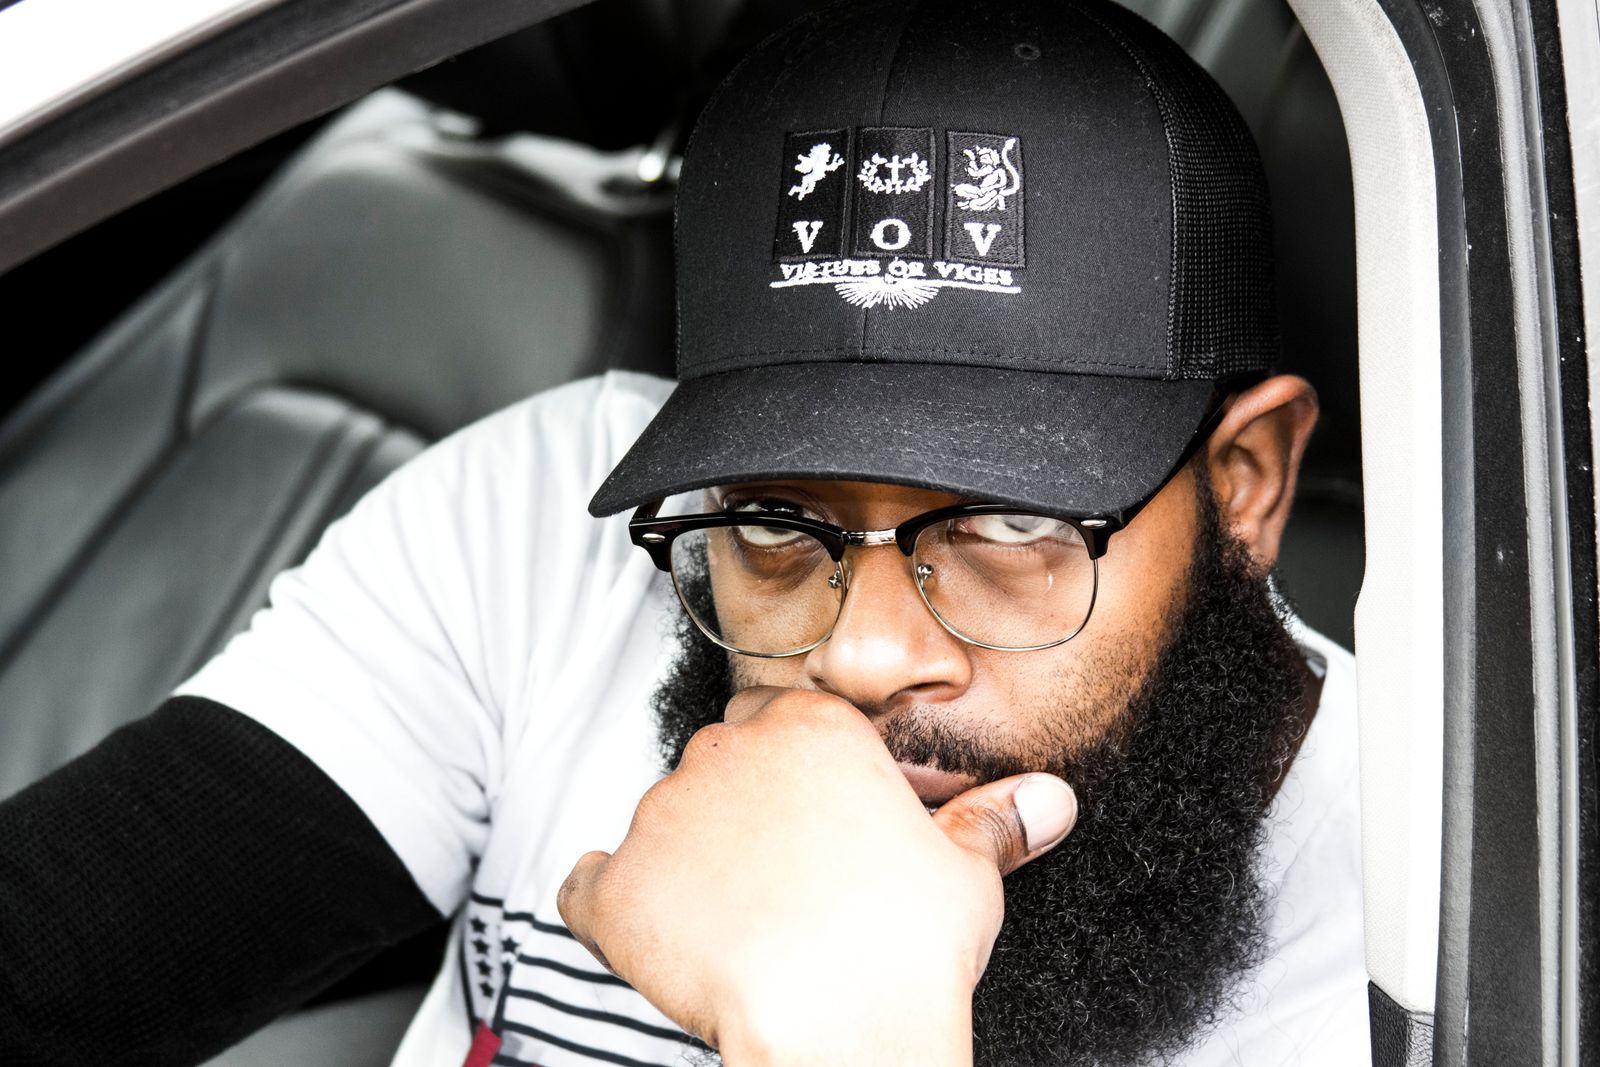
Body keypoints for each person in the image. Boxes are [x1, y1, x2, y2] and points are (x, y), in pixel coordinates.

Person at [0, 0, 1370, 1064]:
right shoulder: (543, 528)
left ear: (1245, 484)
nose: (860, 655)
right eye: (776, 523)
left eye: (1008, 524)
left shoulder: (1431, 945)